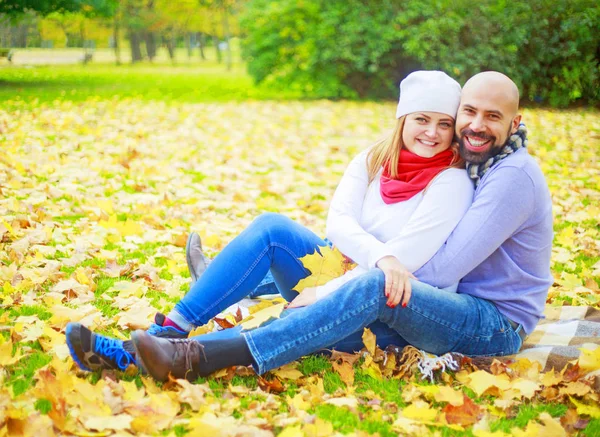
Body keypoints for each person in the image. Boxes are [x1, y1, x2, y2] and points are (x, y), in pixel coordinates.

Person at [124, 71, 554, 382]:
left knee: (372, 287)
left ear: (514, 124)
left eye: (492, 116)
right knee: (277, 230)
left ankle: (195, 355)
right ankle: (173, 328)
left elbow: (437, 272)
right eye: (469, 113)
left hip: (492, 322)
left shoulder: (507, 175)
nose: (475, 125)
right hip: (410, 285)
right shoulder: (474, 160)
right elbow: (343, 227)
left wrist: (328, 290)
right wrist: (350, 273)